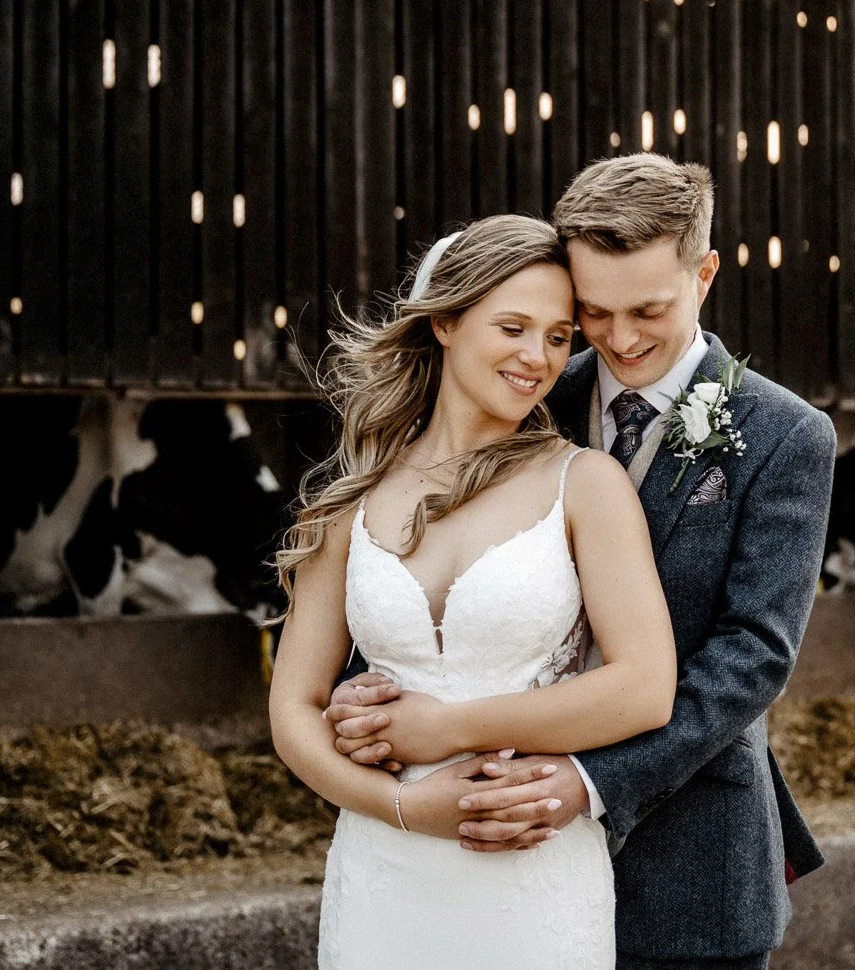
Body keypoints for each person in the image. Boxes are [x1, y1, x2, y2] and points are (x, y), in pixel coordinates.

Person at [327, 154, 839, 968]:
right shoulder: (526, 387)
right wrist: (370, 683)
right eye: (594, 312)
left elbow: (753, 654)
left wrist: (589, 778)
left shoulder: (786, 435)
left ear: (704, 275)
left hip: (690, 855)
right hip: (491, 850)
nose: (621, 339)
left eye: (648, 310)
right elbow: (431, 554)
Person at [267, 213, 679, 969]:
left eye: (558, 337)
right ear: (447, 322)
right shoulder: (352, 502)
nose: (537, 357)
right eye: (513, 328)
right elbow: (293, 709)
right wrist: (400, 805)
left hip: (530, 874)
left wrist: (446, 729)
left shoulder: (585, 484)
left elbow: (646, 688)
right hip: (382, 876)